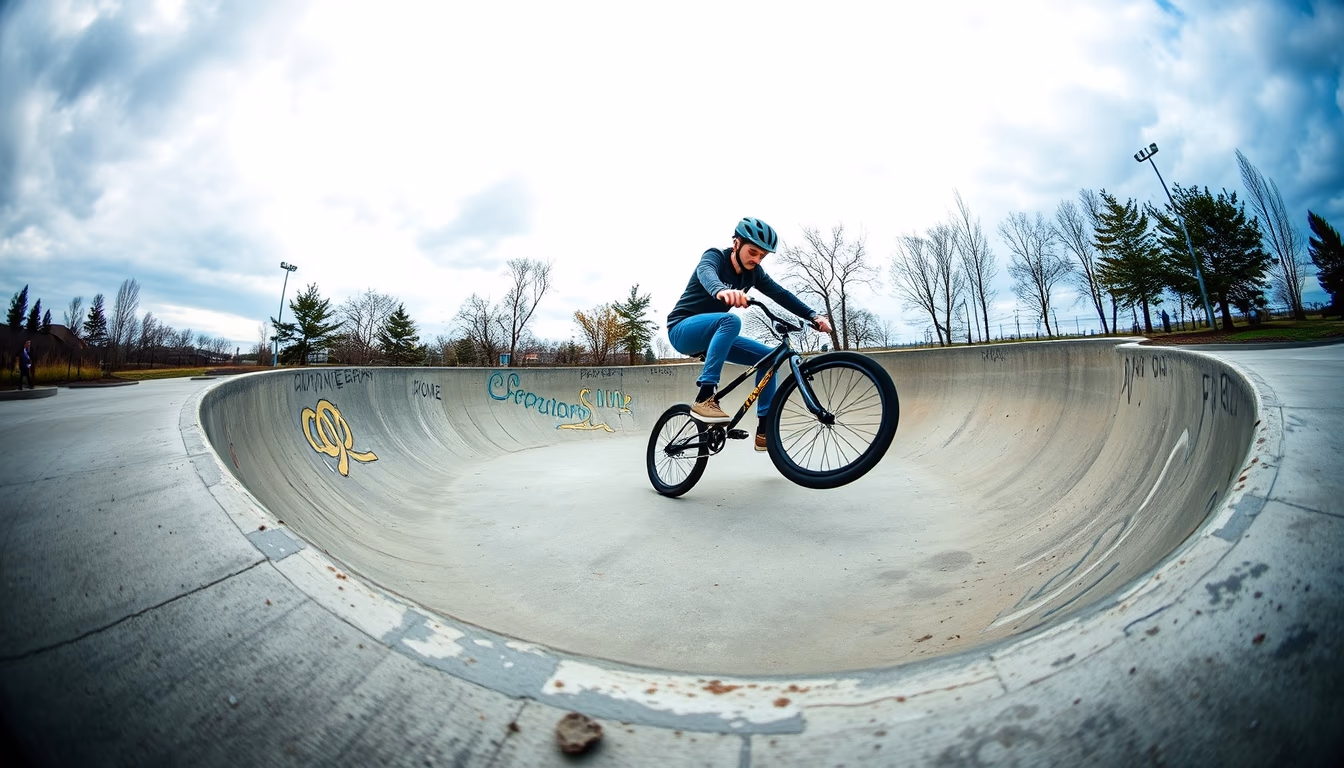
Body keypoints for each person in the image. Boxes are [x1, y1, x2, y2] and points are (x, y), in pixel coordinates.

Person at [666, 217, 833, 451]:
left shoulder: (754, 274)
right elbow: (706, 272)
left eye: (762, 256)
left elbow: (781, 294)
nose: (756, 259)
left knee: (769, 359)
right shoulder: (715, 257)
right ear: (736, 243)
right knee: (730, 320)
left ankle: (764, 430)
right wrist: (721, 290)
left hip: (714, 338)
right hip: (681, 330)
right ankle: (705, 397)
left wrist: (813, 315)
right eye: (752, 252)